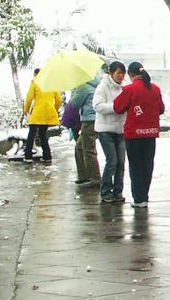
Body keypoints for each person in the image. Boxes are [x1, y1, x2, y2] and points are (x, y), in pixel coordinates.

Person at [113, 61, 164, 207]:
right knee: (148, 164)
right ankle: (144, 196)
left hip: (134, 135)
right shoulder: (155, 88)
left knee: (135, 166)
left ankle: (139, 199)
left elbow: (118, 107)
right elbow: (161, 109)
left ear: (131, 74)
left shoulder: (129, 89)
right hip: (151, 134)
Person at [91, 60, 128, 203]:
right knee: (112, 161)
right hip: (105, 130)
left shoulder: (124, 88)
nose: (121, 76)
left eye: (122, 73)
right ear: (111, 73)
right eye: (118, 73)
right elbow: (97, 106)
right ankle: (105, 191)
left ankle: (118, 192)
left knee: (121, 162)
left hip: (121, 130)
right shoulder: (102, 87)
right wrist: (115, 107)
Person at [22, 68, 61, 162]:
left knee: (31, 134)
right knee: (43, 134)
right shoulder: (52, 84)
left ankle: (28, 156)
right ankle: (47, 156)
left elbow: (29, 98)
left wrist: (26, 110)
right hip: (48, 112)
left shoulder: (35, 82)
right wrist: (54, 109)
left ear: (35, 74)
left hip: (37, 113)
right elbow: (59, 99)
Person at [70, 72, 101, 187]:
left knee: (88, 150)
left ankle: (95, 179)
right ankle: (84, 176)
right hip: (96, 119)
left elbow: (74, 103)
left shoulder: (83, 87)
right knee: (79, 147)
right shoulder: (96, 84)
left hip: (88, 121)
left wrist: (74, 91)